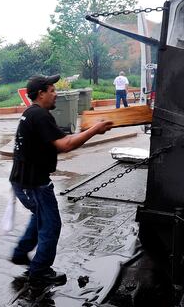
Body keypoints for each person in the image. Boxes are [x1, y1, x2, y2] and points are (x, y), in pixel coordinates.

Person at [9, 75, 113, 285]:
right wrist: (95, 130)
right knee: (51, 224)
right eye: (52, 90)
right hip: (34, 183)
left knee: (40, 215)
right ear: (41, 93)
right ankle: (40, 271)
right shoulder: (39, 115)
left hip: (24, 181)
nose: (56, 94)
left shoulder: (31, 113)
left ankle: (21, 253)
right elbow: (65, 144)